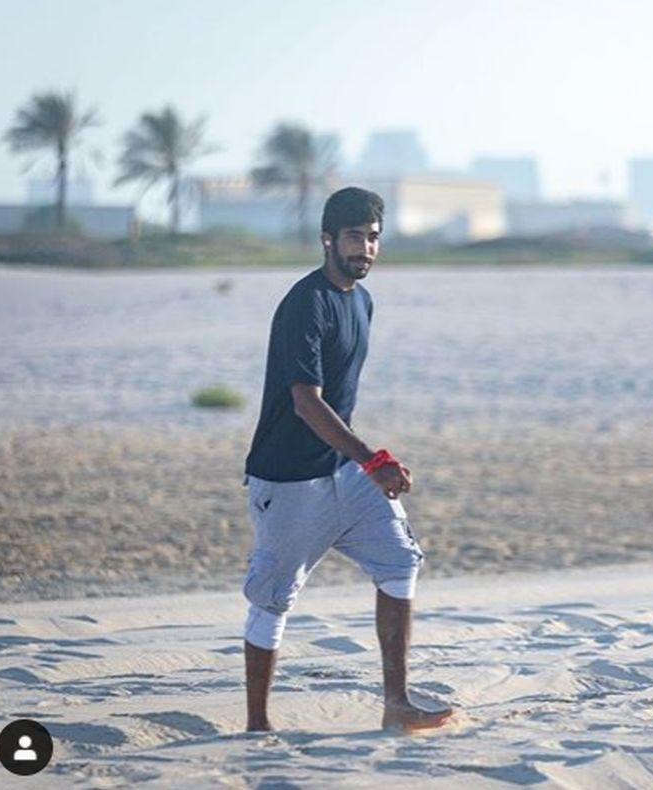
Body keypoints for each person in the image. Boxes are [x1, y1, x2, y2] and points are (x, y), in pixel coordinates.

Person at [240, 186, 453, 733]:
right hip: (289, 479)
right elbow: (306, 401)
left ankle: (397, 702)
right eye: (356, 237)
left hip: (342, 470)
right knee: (273, 603)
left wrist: (360, 463)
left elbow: (336, 400)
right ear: (327, 239)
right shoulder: (304, 303)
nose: (366, 248)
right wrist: (373, 458)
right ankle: (258, 727)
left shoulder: (362, 301)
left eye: (374, 238)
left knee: (400, 562)